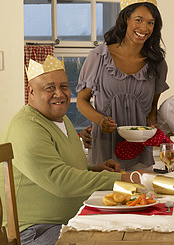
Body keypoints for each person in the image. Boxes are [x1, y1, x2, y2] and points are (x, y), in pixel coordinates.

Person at [0, 56, 140, 245]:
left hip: (69, 221)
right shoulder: (26, 127)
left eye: (64, 87)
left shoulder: (61, 120)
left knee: (131, 231)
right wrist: (123, 180)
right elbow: (60, 181)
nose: (59, 94)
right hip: (34, 231)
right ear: (31, 92)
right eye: (50, 88)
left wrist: (95, 169)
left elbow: (62, 166)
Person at [76, 0, 169, 171]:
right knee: (105, 198)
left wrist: (151, 124)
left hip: (139, 151)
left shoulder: (157, 63)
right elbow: (81, 100)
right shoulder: (99, 56)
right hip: (104, 147)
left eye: (150, 22)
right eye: (139, 20)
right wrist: (99, 120)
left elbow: (152, 108)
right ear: (126, 19)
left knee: (142, 198)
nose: (144, 28)